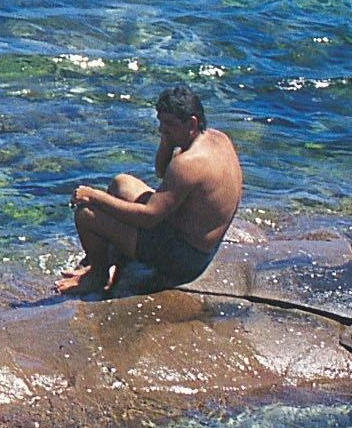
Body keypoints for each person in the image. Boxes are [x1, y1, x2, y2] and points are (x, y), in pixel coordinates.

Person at [58, 85, 243, 296]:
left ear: (191, 123)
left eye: (169, 125)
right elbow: (163, 172)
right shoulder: (216, 138)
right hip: (199, 243)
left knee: (86, 214)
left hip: (185, 259)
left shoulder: (188, 164)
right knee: (121, 183)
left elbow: (148, 218)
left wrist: (94, 196)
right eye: (161, 123)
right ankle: (108, 260)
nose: (161, 130)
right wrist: (168, 138)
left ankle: (98, 277)